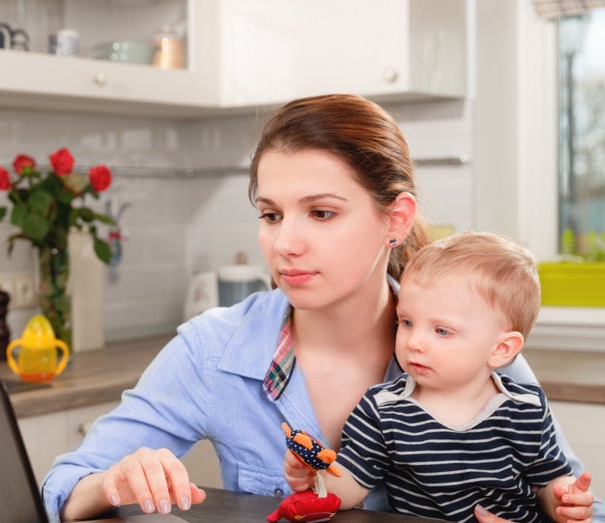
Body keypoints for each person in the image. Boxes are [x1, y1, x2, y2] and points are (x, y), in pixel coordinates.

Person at [40, 94, 605, 523]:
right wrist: (113, 480)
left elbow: (573, 500)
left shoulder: (472, 341)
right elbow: (61, 488)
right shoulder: (213, 349)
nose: (285, 244)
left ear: (396, 219)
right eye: (270, 214)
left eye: (322, 213)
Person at [286, 231, 595, 523]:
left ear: (501, 349)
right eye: (406, 322)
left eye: (441, 330)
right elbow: (353, 481)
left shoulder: (526, 407)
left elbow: (549, 480)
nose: (414, 341)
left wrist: (565, 502)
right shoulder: (383, 408)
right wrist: (319, 479)